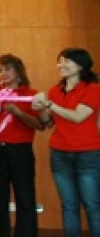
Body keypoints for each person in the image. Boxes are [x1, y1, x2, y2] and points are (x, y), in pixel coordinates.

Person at [32, 48, 100, 237]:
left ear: (80, 65)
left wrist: (49, 105)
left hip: (87, 154)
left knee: (92, 204)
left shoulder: (93, 89)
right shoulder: (55, 90)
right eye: (59, 61)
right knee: (69, 205)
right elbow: (49, 123)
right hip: (59, 153)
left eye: (66, 61)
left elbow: (78, 116)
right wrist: (40, 110)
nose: (61, 65)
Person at [0, 54, 42, 237]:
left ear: (18, 72)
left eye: (7, 69)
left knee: (25, 198)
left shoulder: (31, 94)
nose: (3, 74)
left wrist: (18, 113)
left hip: (20, 151)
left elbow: (40, 125)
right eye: (0, 70)